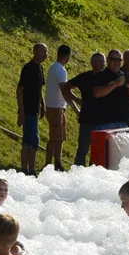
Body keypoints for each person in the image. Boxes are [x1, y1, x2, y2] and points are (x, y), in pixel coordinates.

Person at [61, 52, 106, 167]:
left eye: (103, 61)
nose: (102, 64)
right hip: (87, 117)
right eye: (100, 61)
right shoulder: (85, 77)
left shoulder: (106, 76)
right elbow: (65, 87)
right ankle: (78, 171)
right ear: (92, 63)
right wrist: (77, 100)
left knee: (99, 151)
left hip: (103, 119)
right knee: (83, 148)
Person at [16, 43, 47, 176]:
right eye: (43, 52)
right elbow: (20, 90)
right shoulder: (28, 68)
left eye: (46, 52)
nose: (45, 54)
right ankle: (28, 168)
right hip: (27, 109)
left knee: (29, 140)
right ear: (35, 52)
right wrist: (21, 111)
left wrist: (43, 104)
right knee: (32, 140)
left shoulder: (40, 68)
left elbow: (40, 88)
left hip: (35, 109)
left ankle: (28, 168)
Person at [93, 48, 129, 132]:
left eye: (119, 60)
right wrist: (115, 84)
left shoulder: (124, 76)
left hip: (123, 123)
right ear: (108, 60)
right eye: (114, 59)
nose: (117, 63)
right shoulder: (101, 75)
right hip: (105, 123)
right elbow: (96, 93)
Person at [43, 44, 71, 172]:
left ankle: (58, 163)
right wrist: (75, 104)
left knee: (60, 137)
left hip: (58, 106)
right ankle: (48, 163)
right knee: (54, 137)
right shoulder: (60, 69)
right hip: (55, 107)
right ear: (67, 56)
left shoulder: (54, 68)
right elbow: (64, 89)